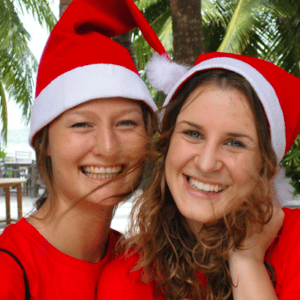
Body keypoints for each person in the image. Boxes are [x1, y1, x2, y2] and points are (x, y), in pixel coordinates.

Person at [0, 0, 170, 299]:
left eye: (126, 124)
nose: (107, 147)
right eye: (81, 125)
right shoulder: (9, 270)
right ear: (45, 141)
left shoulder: (142, 267)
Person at [97, 52, 300, 299]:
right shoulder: (130, 275)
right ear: (167, 141)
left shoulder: (294, 242)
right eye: (193, 134)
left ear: (268, 168)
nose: (206, 164)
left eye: (234, 143)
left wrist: (247, 262)